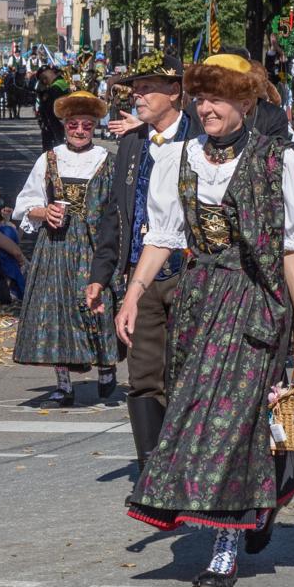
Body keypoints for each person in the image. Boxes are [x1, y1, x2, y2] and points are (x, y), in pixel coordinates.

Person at [117, 52, 294, 587]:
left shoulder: (277, 160)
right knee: (203, 415)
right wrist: (133, 294)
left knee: (234, 422)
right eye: (201, 98)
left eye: (218, 99)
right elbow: (162, 236)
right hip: (199, 304)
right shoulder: (177, 158)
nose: (206, 108)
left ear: (245, 103)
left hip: (256, 303)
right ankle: (262, 499)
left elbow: (292, 247)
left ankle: (224, 548)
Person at [87, 54, 194, 472]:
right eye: (136, 88)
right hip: (140, 274)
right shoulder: (132, 144)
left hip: (189, 273)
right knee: (144, 374)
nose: (138, 95)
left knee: (188, 372)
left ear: (174, 92)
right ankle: (151, 470)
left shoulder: (200, 136)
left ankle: (187, 462)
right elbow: (116, 213)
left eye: (148, 87)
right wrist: (101, 275)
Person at [11, 85, 116, 406]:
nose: (80, 131)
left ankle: (106, 366)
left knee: (97, 305)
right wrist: (44, 212)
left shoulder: (106, 160)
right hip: (55, 246)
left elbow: (117, 209)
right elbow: (24, 204)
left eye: (87, 125)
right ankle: (63, 384)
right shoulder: (49, 159)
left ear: (95, 126)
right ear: (64, 125)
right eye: (74, 124)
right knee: (57, 310)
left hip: (94, 245)